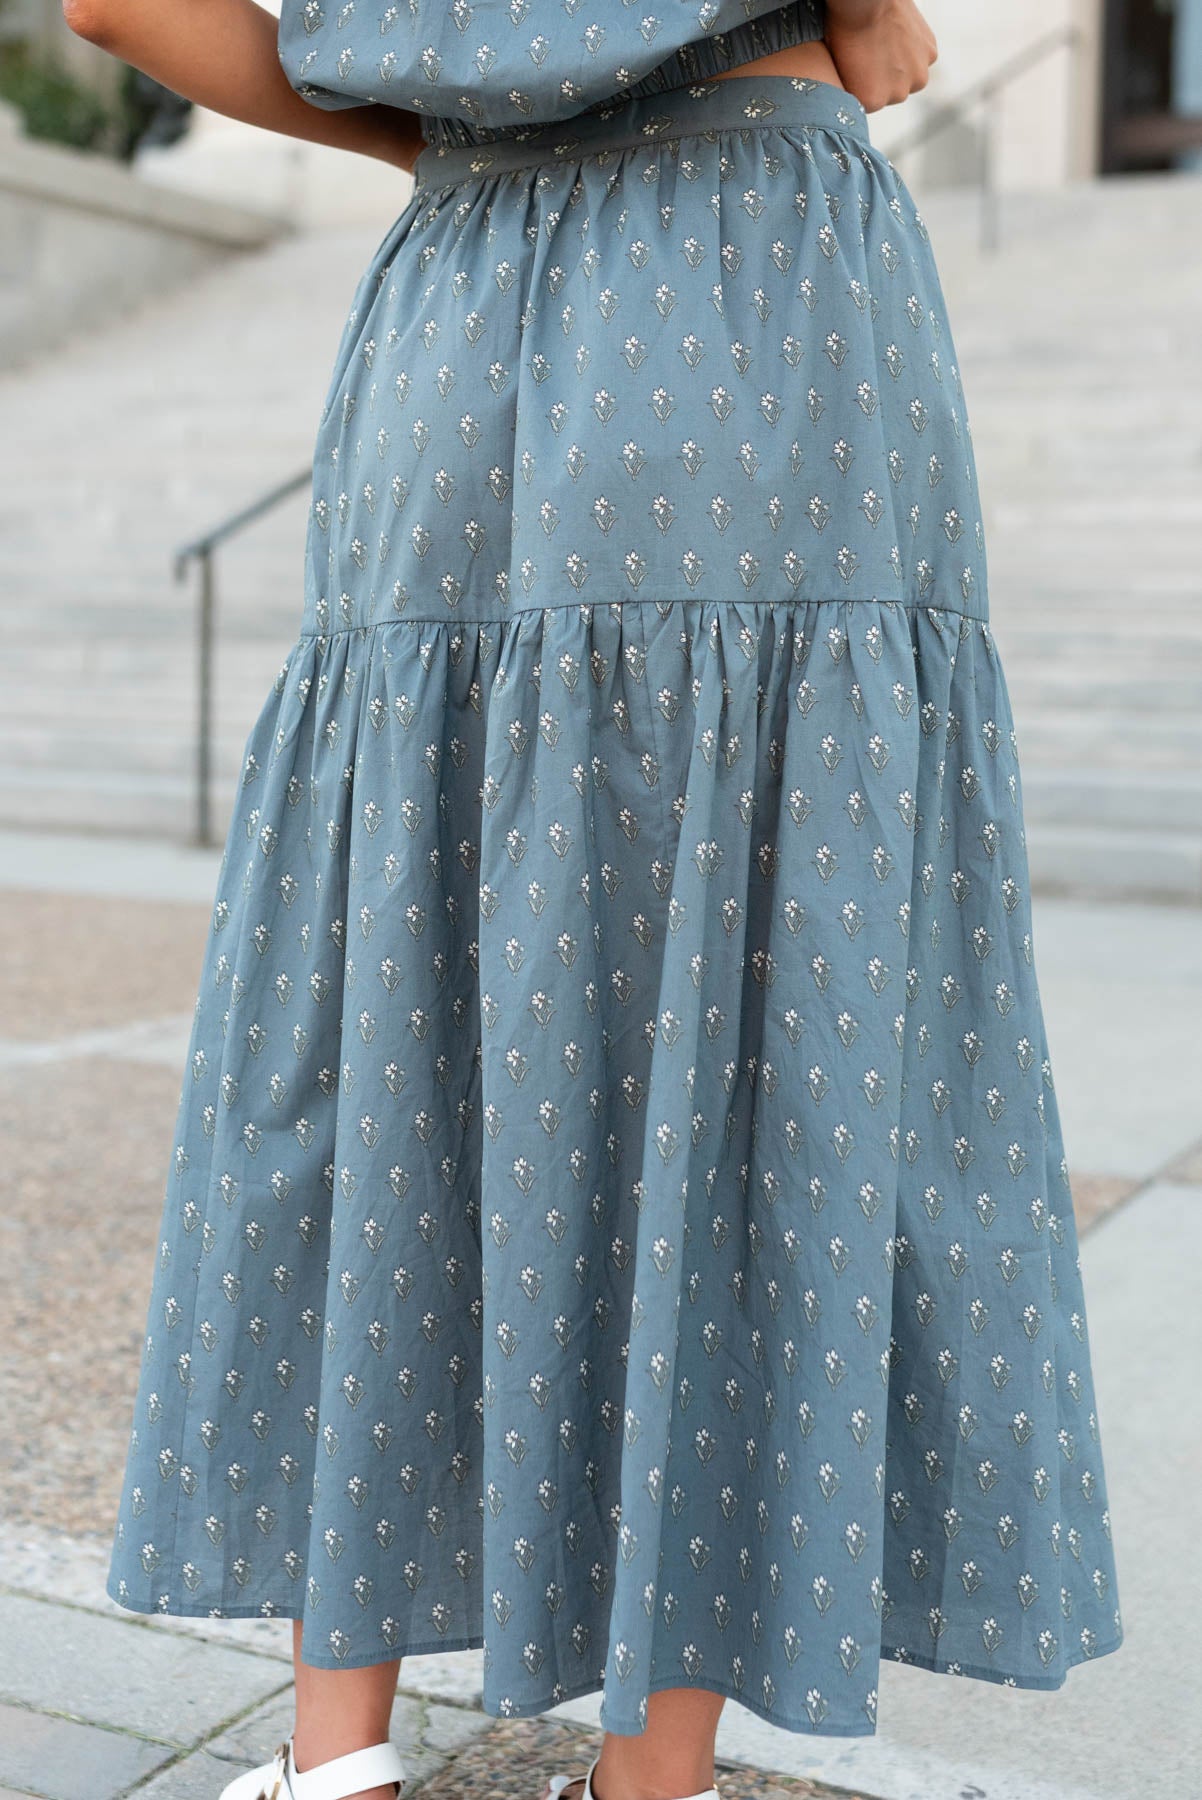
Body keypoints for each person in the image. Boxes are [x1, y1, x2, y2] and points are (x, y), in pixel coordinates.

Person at [62, 4, 1125, 1799]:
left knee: (401, 934)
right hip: (754, 259)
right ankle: (649, 1776)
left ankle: (337, 1761)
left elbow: (114, 1)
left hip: (470, 289)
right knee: (748, 960)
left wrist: (458, 126)